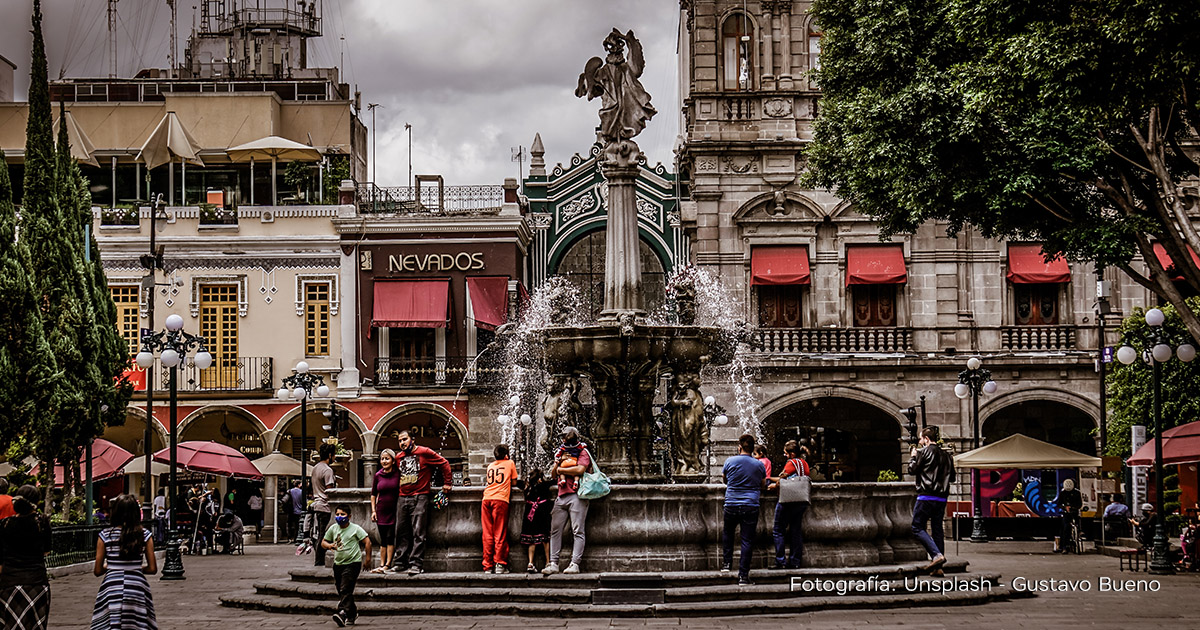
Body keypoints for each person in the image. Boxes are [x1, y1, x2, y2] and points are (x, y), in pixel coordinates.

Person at [389, 431, 452, 575]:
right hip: (402, 496)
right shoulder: (399, 457)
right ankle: (400, 562)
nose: (402, 443)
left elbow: (444, 463)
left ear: (412, 439)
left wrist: (447, 483)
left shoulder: (424, 452)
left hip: (420, 496)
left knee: (418, 531)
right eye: (399, 441)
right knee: (401, 531)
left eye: (405, 439)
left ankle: (416, 563)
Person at [91, 494, 157, 630]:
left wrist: (112, 567)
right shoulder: (145, 535)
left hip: (111, 587)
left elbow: (97, 570)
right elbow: (152, 568)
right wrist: (135, 568)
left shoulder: (105, 535)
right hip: (137, 586)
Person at [543, 426, 593, 575]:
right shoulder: (561, 452)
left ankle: (574, 564)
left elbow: (580, 470)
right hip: (561, 495)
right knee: (555, 531)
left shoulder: (583, 452)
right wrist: (558, 465)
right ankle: (553, 563)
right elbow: (553, 474)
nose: (564, 439)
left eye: (566, 437)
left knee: (578, 530)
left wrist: (561, 470)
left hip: (577, 495)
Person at [0, 485, 52, 630]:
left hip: (9, 583)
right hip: (36, 582)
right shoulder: (41, 522)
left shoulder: (5, 524)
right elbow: (46, 551)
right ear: (37, 502)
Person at [722, 433, 768, 586]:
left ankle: (726, 564)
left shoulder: (730, 461)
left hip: (731, 503)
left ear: (739, 446)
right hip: (750, 504)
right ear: (752, 447)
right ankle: (743, 576)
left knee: (728, 533)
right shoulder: (759, 464)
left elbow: (725, 480)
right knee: (747, 540)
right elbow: (762, 485)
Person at [908, 427, 954, 574]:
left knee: (917, 526)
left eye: (921, 439)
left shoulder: (924, 452)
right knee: (937, 529)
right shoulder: (947, 455)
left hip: (926, 496)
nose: (920, 442)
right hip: (941, 498)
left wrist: (913, 457)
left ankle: (936, 555)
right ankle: (938, 567)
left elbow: (912, 470)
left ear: (927, 439)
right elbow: (952, 477)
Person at [322, 505, 371, 627]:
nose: (339, 517)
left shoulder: (355, 529)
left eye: (342, 514)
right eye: (337, 514)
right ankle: (352, 613)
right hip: (338, 563)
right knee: (341, 589)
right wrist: (329, 546)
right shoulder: (333, 528)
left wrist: (368, 559)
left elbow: (367, 542)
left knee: (345, 588)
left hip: (353, 563)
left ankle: (343, 613)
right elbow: (323, 542)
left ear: (349, 516)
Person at [767, 441, 810, 569]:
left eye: (786, 453)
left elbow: (782, 479)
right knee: (796, 531)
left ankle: (780, 561)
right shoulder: (804, 463)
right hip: (801, 500)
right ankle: (795, 561)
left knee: (778, 530)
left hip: (788, 500)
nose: (784, 455)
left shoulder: (791, 463)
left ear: (792, 454)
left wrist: (772, 483)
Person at [482, 444, 519, 574]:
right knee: (499, 533)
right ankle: (499, 564)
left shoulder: (490, 466)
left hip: (486, 499)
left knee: (487, 534)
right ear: (506, 455)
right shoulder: (510, 463)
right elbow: (514, 482)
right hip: (500, 500)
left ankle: (487, 566)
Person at [369, 448, 400, 574]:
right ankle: (381, 564)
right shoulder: (378, 475)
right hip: (381, 509)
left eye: (387, 458)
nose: (384, 461)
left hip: (394, 509)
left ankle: (388, 564)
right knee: (383, 539)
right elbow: (373, 494)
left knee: (390, 537)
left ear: (393, 460)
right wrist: (373, 511)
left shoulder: (398, 474)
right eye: (382, 459)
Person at [520, 469, 555, 574]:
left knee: (531, 540)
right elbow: (554, 481)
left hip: (530, 514)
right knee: (545, 538)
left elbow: (516, 483)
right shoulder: (544, 485)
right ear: (540, 479)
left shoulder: (527, 487)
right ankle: (548, 562)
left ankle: (530, 563)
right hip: (542, 513)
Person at [311, 443, 338, 567]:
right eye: (334, 455)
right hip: (326, 506)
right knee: (324, 535)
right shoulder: (327, 470)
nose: (335, 458)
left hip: (317, 505)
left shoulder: (316, 468)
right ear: (330, 455)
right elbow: (330, 491)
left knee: (320, 534)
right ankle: (320, 561)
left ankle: (319, 560)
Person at [1054, 479, 1083, 553]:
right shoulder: (1063, 493)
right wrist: (1065, 507)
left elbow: (1079, 504)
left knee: (1077, 523)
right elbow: (1059, 504)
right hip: (1066, 513)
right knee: (1065, 527)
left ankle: (1079, 532)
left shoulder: (1077, 493)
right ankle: (1063, 546)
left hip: (1074, 512)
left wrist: (1073, 507)